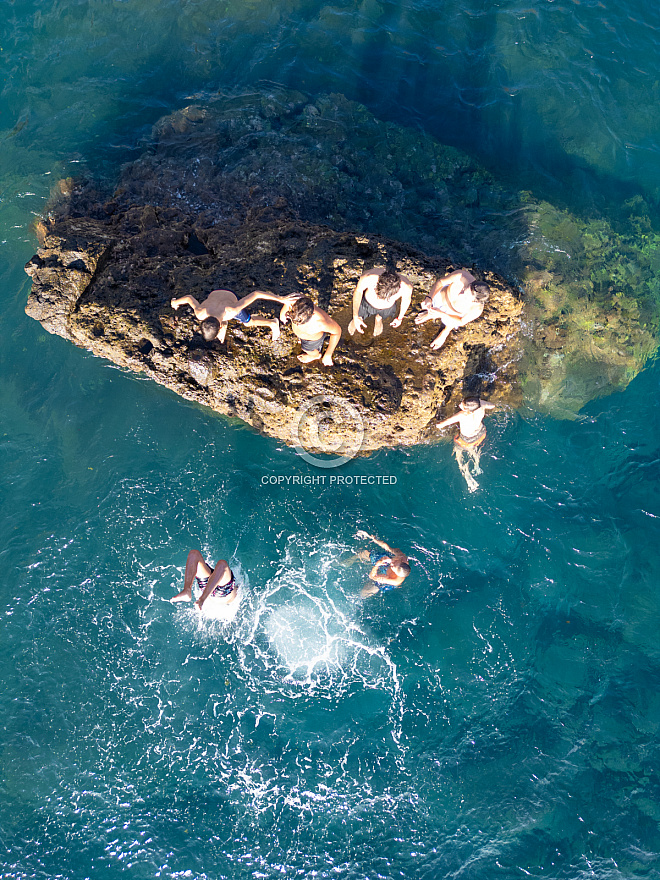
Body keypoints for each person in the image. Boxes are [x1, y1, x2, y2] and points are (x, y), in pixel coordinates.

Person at [171, 288, 289, 343]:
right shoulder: (200, 312)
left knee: (249, 323)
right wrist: (175, 302)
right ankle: (220, 330)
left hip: (231, 296)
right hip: (216, 292)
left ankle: (272, 323)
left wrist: (280, 299)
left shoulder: (232, 310)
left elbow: (256, 294)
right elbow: (188, 298)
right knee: (221, 317)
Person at [414, 269, 490, 350]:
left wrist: (442, 314)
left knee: (452, 321)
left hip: (451, 315)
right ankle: (429, 314)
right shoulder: (461, 276)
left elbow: (461, 321)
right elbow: (441, 282)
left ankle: (445, 332)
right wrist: (429, 298)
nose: (461, 293)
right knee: (431, 306)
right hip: (439, 298)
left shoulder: (476, 309)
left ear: (475, 301)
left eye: (466, 295)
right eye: (465, 288)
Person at [436, 397, 496, 492]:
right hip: (481, 434)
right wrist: (481, 402)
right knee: (472, 449)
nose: (460, 404)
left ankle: (467, 476)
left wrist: (436, 424)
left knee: (458, 452)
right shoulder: (481, 404)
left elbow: (441, 425)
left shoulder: (462, 415)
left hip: (466, 440)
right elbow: (492, 405)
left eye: (462, 405)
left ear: (467, 410)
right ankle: (477, 466)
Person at [348, 268, 413, 338]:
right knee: (359, 314)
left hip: (387, 308)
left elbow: (406, 300)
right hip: (367, 303)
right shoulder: (369, 277)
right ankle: (357, 318)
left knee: (382, 316)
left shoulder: (406, 287)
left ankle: (378, 318)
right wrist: (355, 315)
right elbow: (358, 291)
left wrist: (400, 318)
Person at [279, 295, 342, 366]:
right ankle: (301, 339)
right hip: (301, 334)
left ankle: (315, 356)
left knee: (307, 349)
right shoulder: (294, 302)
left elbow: (337, 331)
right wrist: (283, 314)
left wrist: (328, 354)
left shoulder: (320, 323)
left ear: (312, 314)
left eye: (300, 322)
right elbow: (288, 302)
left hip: (312, 341)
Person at [171, 549, 238, 611]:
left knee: (195, 555)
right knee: (194, 554)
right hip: (222, 593)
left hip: (217, 594)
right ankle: (187, 591)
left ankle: (198, 597)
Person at [353, 530, 411, 598]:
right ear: (401, 561)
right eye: (395, 562)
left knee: (365, 592)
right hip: (388, 563)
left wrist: (377, 564)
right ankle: (351, 560)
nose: (391, 563)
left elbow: (372, 577)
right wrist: (372, 538)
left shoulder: (394, 580)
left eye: (393, 567)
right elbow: (386, 547)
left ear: (395, 573)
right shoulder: (401, 556)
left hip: (387, 580)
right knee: (364, 553)